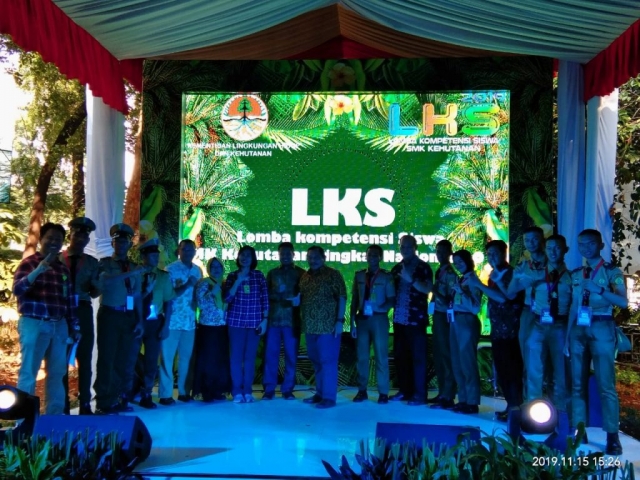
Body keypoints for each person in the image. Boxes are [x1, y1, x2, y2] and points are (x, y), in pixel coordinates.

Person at [566, 229, 627, 455]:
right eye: (581, 244)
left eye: (591, 243)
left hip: (602, 325)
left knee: (606, 384)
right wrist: (567, 337)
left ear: (600, 245)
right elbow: (573, 307)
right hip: (578, 330)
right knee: (577, 383)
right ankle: (579, 429)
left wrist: (599, 289)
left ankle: (612, 435)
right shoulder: (576, 274)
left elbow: (623, 302)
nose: (586, 248)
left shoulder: (611, 271)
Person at [13, 222, 79, 415]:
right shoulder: (29, 263)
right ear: (41, 239)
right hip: (34, 323)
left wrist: (75, 327)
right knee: (29, 372)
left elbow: (69, 300)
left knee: (57, 373)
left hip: (59, 326)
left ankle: (53, 418)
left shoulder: (62, 269)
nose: (53, 242)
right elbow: (17, 290)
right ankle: (24, 419)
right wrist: (38, 271)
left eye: (58, 239)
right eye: (50, 238)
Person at [469, 240, 523, 421]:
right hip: (498, 330)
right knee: (503, 370)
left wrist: (478, 285)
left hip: (510, 332)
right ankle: (510, 407)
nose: (491, 257)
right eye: (489, 254)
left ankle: (516, 409)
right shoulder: (494, 274)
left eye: (495, 253)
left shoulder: (510, 273)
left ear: (504, 253)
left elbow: (503, 298)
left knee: (511, 371)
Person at [94, 223, 144, 415]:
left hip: (128, 315)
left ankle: (118, 398)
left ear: (130, 244)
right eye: (118, 241)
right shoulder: (105, 263)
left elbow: (137, 296)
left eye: (124, 241)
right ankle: (103, 401)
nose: (121, 244)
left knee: (122, 360)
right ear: (112, 244)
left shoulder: (133, 266)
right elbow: (105, 281)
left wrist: (140, 320)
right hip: (110, 315)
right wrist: (132, 273)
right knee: (107, 359)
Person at [524, 235, 571, 414]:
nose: (552, 252)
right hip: (538, 325)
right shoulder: (535, 274)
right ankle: (533, 414)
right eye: (549, 248)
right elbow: (512, 291)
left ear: (565, 250)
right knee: (534, 371)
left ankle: (561, 414)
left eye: (557, 248)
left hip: (560, 325)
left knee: (561, 373)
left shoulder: (572, 276)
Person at [127, 238, 175, 409]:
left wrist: (166, 325)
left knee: (151, 360)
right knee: (130, 358)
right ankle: (126, 393)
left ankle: (146, 393)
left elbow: (169, 302)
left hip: (155, 322)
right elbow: (130, 299)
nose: (155, 257)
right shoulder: (134, 274)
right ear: (143, 256)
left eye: (157, 254)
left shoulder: (163, 276)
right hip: (136, 320)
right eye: (151, 254)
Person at [61, 217, 100, 415]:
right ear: (70, 235)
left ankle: (85, 402)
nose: (81, 239)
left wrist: (98, 285)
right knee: (61, 358)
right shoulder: (58, 259)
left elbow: (94, 293)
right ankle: (63, 404)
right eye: (77, 234)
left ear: (88, 240)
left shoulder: (92, 263)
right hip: (61, 311)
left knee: (84, 357)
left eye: (85, 236)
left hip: (83, 310)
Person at [300, 246, 347, 409]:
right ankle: (319, 393)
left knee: (328, 362)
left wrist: (340, 321)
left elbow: (342, 297)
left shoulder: (333, 274)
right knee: (316, 361)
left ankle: (329, 397)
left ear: (323, 258)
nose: (312, 260)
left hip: (328, 327)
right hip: (310, 326)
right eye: (310, 257)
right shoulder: (305, 276)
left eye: (315, 257)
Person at [390, 235, 433, 406]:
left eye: (408, 247)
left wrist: (411, 279)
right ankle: (404, 391)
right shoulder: (396, 268)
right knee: (401, 357)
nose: (405, 250)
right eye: (402, 247)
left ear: (415, 247)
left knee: (418, 358)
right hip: (399, 319)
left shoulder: (423, 267)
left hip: (416, 320)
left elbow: (427, 289)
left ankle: (420, 395)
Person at [350, 245, 395, 404]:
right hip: (362, 319)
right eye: (369, 255)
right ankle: (362, 390)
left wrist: (383, 308)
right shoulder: (359, 275)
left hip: (379, 319)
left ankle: (383, 392)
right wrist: (352, 323)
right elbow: (355, 299)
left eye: (375, 255)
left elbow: (392, 298)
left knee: (381, 356)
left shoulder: (386, 277)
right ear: (366, 257)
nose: (372, 258)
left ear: (380, 258)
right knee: (362, 357)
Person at [160, 239, 202, 405]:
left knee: (185, 359)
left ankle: (184, 392)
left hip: (190, 322)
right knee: (167, 359)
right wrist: (186, 285)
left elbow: (198, 295)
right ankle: (165, 394)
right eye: (184, 249)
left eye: (191, 249)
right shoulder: (170, 269)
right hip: (171, 321)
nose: (188, 252)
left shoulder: (197, 271)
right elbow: (168, 296)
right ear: (179, 250)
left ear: (195, 252)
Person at [224, 245, 269, 403]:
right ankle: (237, 391)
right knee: (236, 358)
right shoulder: (232, 276)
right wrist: (238, 281)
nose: (244, 258)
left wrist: (265, 320)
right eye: (242, 255)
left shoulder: (259, 276)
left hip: (254, 323)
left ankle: (248, 391)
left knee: (250, 359)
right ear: (238, 257)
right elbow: (227, 298)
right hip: (235, 323)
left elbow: (265, 299)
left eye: (248, 255)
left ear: (253, 259)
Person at [507, 226, 547, 397]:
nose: (530, 243)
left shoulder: (552, 262)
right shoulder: (524, 265)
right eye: (527, 240)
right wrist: (516, 278)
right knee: (527, 358)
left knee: (547, 359)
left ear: (542, 240)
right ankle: (530, 402)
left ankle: (549, 402)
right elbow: (510, 293)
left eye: (534, 239)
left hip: (548, 314)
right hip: (528, 313)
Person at [263, 242, 304, 400]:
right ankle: (269, 389)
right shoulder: (272, 273)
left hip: (292, 321)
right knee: (270, 356)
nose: (285, 256)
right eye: (282, 253)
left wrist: (299, 299)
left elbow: (305, 296)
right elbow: (265, 295)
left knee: (291, 356)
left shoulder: (301, 273)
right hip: (273, 321)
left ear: (293, 254)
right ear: (278, 255)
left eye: (288, 253)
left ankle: (287, 389)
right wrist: (278, 295)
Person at [449, 249, 482, 414]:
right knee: (457, 362)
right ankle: (462, 399)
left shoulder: (473, 279)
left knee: (468, 363)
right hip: (455, 320)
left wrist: (462, 292)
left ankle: (472, 401)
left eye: (460, 262)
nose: (457, 265)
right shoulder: (460, 279)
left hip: (467, 321)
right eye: (455, 263)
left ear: (468, 261)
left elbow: (475, 308)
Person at [193, 257, 230, 402]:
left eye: (218, 266)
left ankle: (219, 390)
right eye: (213, 266)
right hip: (207, 328)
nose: (216, 269)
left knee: (220, 360)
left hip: (222, 327)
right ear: (208, 269)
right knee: (207, 361)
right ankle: (206, 392)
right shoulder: (203, 283)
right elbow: (200, 304)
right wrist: (212, 293)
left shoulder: (225, 283)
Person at [429, 239, 458, 410]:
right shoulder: (439, 270)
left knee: (446, 355)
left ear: (450, 253)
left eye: (443, 252)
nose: (439, 255)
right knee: (439, 355)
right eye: (438, 251)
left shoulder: (451, 273)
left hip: (445, 316)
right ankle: (442, 392)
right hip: (437, 315)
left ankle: (448, 395)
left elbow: (450, 300)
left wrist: (434, 291)